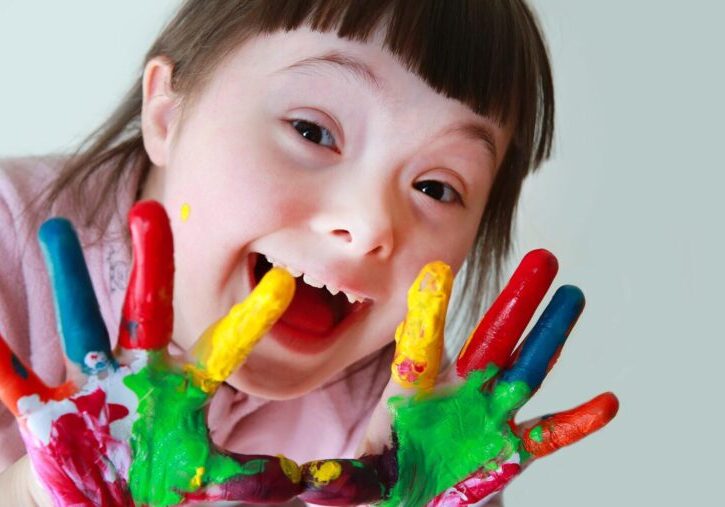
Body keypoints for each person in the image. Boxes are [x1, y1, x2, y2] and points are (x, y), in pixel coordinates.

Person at [0, 1, 612, 505]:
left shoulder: (413, 426)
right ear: (167, 112)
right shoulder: (8, 241)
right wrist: (37, 495)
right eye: (313, 131)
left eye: (436, 187)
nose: (370, 223)